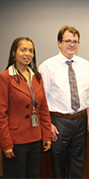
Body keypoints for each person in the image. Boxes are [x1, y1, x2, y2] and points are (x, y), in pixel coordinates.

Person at [39, 26, 89, 178]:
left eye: (75, 41)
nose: (72, 44)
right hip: (58, 121)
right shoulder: (47, 66)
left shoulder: (85, 65)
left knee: (78, 162)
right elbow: (41, 99)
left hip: (80, 119)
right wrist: (47, 124)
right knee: (57, 163)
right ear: (59, 43)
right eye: (68, 41)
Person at [0, 37, 52, 178]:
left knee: (33, 175)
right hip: (15, 140)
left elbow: (43, 109)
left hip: (35, 137)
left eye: (31, 51)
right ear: (13, 53)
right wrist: (6, 143)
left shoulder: (37, 77)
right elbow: (1, 114)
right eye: (23, 50)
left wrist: (46, 134)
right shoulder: (5, 77)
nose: (27, 54)